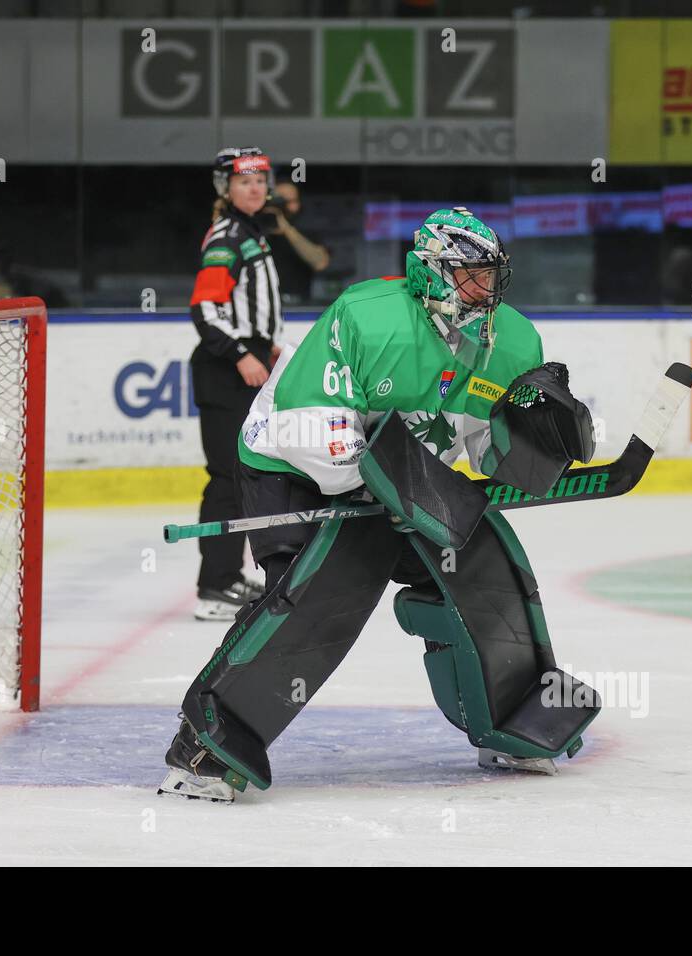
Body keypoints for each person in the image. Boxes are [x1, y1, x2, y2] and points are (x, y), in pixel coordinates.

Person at [159, 207, 601, 802]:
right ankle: (206, 742)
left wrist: (531, 446)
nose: (485, 290)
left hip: (410, 477)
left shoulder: (511, 340)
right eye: (470, 276)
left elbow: (481, 442)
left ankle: (512, 717)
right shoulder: (367, 318)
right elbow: (303, 421)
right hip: (294, 466)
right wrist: (375, 479)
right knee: (314, 592)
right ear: (430, 273)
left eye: (491, 276)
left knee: (480, 568)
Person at [188, 147, 284, 622]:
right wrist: (243, 353)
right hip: (225, 371)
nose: (254, 188)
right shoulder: (227, 235)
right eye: (244, 181)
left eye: (260, 180)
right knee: (227, 478)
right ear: (225, 187)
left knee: (242, 476)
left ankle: (227, 574)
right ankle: (213, 586)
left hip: (244, 365)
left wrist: (265, 347)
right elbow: (204, 310)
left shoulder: (251, 232)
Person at [261, 181, 329, 304]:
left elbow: (321, 263)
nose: (284, 206)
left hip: (296, 305)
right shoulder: (255, 226)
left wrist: (286, 229)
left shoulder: (306, 229)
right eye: (279, 201)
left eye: (290, 201)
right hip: (261, 303)